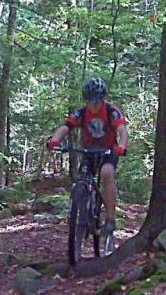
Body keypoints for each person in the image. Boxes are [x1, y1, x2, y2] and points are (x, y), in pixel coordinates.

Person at [47, 77, 128, 237]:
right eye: (90, 101)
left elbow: (122, 130)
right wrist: (55, 140)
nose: (93, 105)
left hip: (108, 151)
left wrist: (122, 146)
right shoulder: (82, 113)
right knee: (82, 177)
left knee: (106, 174)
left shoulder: (112, 111)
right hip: (88, 151)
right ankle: (82, 209)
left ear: (102, 98)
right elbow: (66, 127)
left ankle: (110, 219)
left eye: (96, 101)